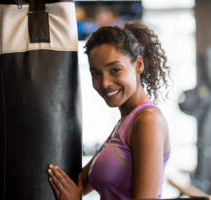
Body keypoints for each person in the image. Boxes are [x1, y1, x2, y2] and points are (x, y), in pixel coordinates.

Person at [46, 20, 171, 200]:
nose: (104, 83)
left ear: (138, 65)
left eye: (115, 70)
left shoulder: (148, 121)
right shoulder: (125, 122)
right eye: (96, 73)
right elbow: (79, 183)